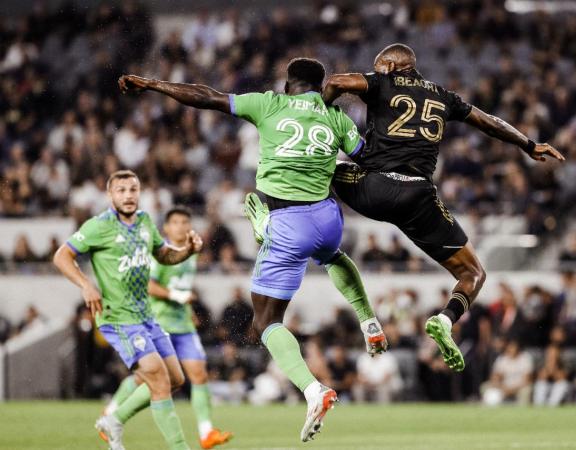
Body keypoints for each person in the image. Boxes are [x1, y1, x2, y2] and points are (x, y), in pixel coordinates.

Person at [119, 57, 387, 442]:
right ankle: (368, 320)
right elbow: (368, 159)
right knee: (332, 256)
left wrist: (154, 84)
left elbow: (206, 97)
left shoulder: (268, 104)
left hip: (288, 222)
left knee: (264, 322)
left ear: (287, 83)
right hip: (329, 218)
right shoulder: (336, 118)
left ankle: (313, 390)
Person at [320, 43, 565, 371]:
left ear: (392, 67)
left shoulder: (381, 82)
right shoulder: (444, 96)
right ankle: (446, 321)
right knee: (473, 273)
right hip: (418, 198)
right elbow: (488, 121)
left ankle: (273, 211)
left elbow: (336, 81)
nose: (376, 72)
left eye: (379, 67)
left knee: (318, 160)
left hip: (372, 188)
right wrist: (528, 144)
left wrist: (318, 109)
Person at [53, 170, 203, 450]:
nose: (128, 195)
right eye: (121, 190)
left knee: (176, 379)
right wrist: (86, 285)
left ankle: (114, 419)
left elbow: (163, 255)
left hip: (146, 317)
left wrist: (187, 251)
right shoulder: (99, 226)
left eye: (133, 189)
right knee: (158, 380)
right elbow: (62, 256)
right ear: (110, 195)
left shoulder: (146, 221)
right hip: (118, 319)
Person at [103, 206, 232, 449]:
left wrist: (188, 309)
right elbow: (150, 286)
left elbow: (181, 284)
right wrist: (177, 296)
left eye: (186, 222)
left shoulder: (190, 252)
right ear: (166, 228)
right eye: (177, 222)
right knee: (148, 379)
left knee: (199, 374)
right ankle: (110, 413)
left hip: (182, 324)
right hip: (159, 323)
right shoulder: (158, 254)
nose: (182, 227)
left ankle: (206, 432)